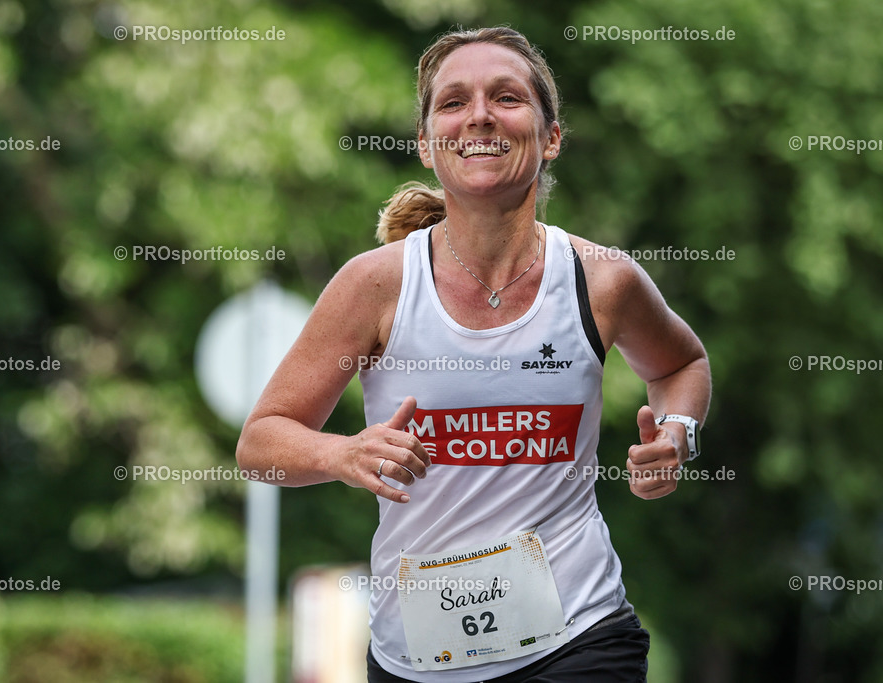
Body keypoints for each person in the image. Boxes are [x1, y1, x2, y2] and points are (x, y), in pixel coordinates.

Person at [236, 26, 711, 682]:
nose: (480, 115)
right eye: (454, 102)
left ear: (551, 137)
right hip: (417, 657)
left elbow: (682, 364)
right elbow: (260, 443)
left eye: (507, 97)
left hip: (579, 636)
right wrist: (342, 454)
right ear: (427, 144)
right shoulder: (375, 284)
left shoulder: (602, 279)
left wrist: (678, 433)